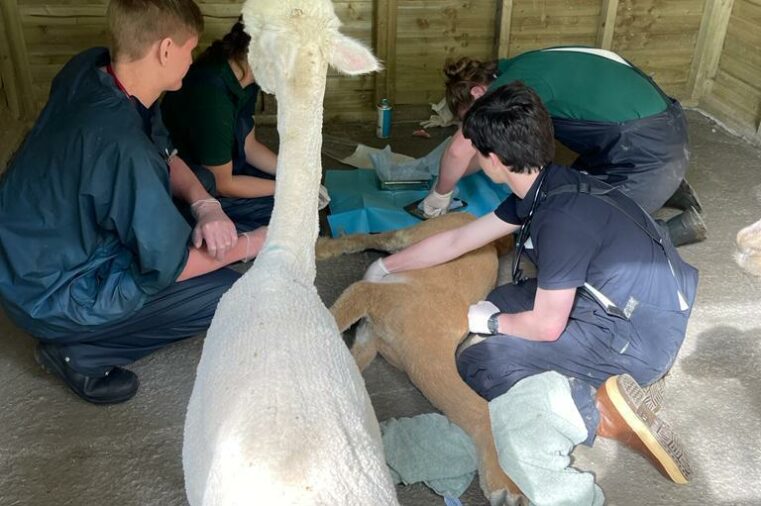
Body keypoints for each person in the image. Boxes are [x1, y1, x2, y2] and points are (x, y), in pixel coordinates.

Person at [365, 82, 698, 484]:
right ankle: (593, 378)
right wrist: (386, 268)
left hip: (638, 337)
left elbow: (546, 326)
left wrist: (490, 325)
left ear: (494, 161)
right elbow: (458, 240)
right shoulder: (548, 185)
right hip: (639, 297)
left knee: (482, 361)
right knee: (505, 297)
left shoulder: (560, 219)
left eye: (476, 150)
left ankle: (600, 410)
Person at [0, 0, 266, 405]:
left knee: (204, 187)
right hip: (49, 291)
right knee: (228, 290)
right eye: (189, 49)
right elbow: (170, 265)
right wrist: (254, 243)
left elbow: (164, 153)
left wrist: (204, 204)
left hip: (27, 248)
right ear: (164, 50)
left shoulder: (92, 70)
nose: (192, 60)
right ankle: (79, 351)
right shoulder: (122, 149)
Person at [419, 47, 706, 247]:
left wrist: (439, 195)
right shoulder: (526, 65)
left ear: (479, 93)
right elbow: (478, 149)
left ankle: (670, 230)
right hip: (656, 131)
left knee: (566, 233)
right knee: (560, 194)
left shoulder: (512, 84)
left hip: (646, 147)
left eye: (468, 119)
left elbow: (459, 150)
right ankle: (666, 187)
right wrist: (456, 173)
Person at [161, 19, 328, 232]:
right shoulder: (211, 94)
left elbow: (249, 147)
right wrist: (290, 188)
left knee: (298, 190)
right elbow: (223, 183)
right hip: (194, 182)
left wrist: (294, 174)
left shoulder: (244, 75)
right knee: (296, 214)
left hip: (223, 164)